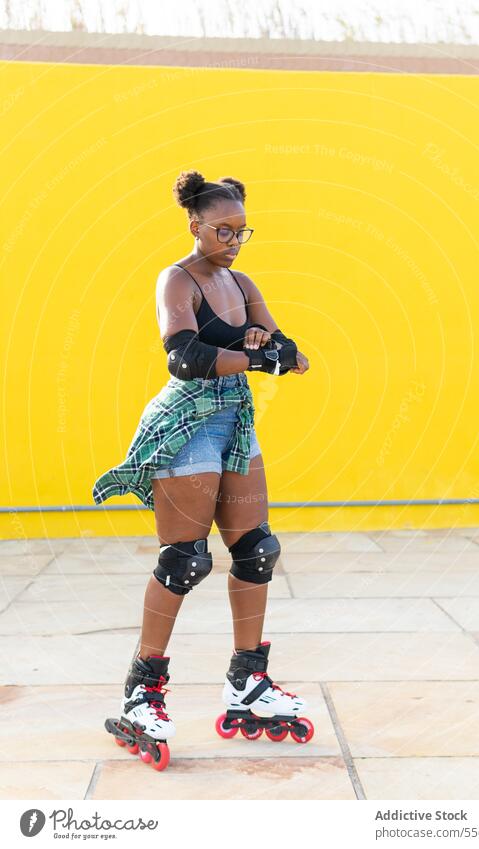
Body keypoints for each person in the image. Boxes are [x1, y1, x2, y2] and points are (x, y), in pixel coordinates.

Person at [93, 169, 310, 746]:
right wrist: (256, 356)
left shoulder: (241, 284)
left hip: (234, 420)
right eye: (223, 230)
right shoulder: (177, 279)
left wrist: (272, 351)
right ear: (195, 226)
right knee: (185, 560)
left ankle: (248, 680)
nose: (234, 241)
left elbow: (287, 349)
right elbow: (185, 358)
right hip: (186, 423)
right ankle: (144, 689)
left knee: (257, 549)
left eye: (242, 231)